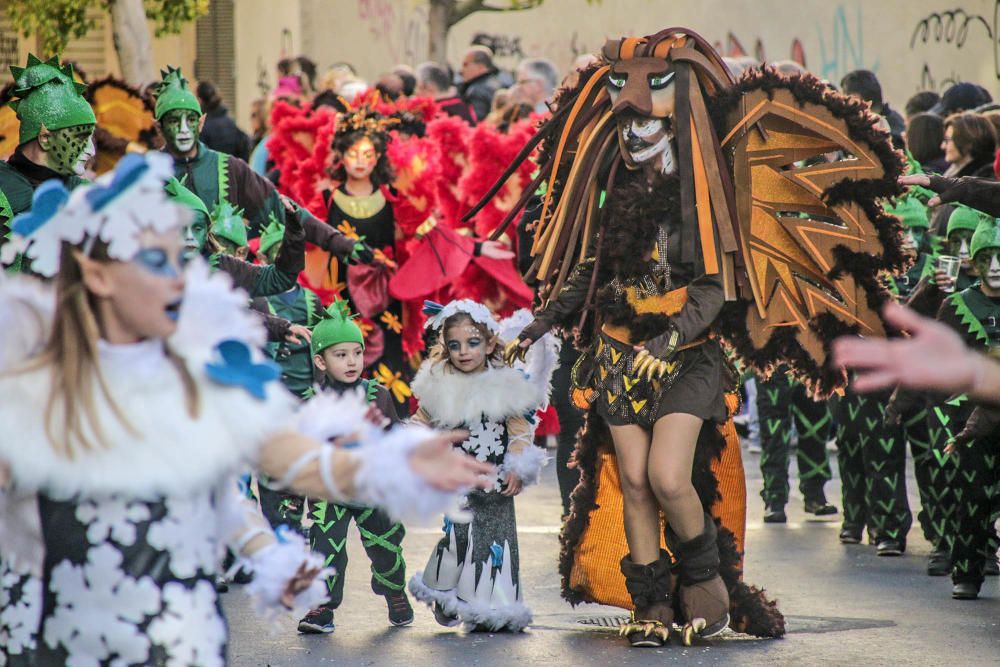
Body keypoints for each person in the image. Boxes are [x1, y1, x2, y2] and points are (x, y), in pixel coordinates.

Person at [488, 28, 903, 649]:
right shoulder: (615, 192)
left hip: (684, 359)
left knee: (668, 477)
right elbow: (590, 271)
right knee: (632, 480)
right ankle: (651, 604)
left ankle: (706, 587)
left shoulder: (707, 197)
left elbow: (715, 289)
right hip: (616, 358)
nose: (632, 133)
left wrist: (670, 338)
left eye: (645, 119)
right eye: (623, 126)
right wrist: (540, 323)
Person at [0, 152, 494, 666]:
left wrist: (382, 472)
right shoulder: (27, 385)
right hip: (63, 640)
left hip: (176, 637)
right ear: (98, 277)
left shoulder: (193, 371)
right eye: (157, 261)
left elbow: (262, 462)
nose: (179, 278)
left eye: (182, 260)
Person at [408, 300, 548, 632]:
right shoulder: (438, 381)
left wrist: (517, 465)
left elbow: (519, 430)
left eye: (472, 343)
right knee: (457, 538)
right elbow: (420, 421)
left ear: (488, 343)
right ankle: (445, 593)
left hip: (494, 482)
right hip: (456, 478)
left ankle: (490, 609)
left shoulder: (505, 383)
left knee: (493, 543)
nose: (463, 352)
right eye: (454, 345)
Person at [152, 66, 366, 265]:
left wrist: (338, 242)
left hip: (223, 289)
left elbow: (281, 209)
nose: (183, 129)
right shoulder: (145, 174)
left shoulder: (229, 168)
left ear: (201, 122)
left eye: (190, 119)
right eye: (173, 121)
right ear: (158, 126)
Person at [298, 300, 414, 633]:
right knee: (325, 548)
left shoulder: (376, 393)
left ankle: (393, 590)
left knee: (386, 548)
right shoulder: (310, 401)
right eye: (340, 354)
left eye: (356, 353)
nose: (352, 361)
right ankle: (322, 607)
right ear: (320, 360)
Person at [0, 55, 95, 266]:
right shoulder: (2, 189)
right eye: (82, 138)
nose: (92, 150)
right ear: (45, 137)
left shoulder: (86, 195)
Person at [755, 370, 836, 524]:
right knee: (774, 432)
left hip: (807, 359)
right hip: (772, 361)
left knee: (815, 426)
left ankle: (815, 495)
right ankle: (774, 499)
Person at [841, 69, 905, 147]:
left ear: (857, 99)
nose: (845, 105)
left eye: (847, 99)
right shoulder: (894, 121)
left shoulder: (888, 135)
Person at [196, 80, 252, 161]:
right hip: (231, 170)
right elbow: (245, 146)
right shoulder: (230, 122)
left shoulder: (203, 127)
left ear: (200, 100)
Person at [942, 112, 997, 179]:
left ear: (968, 143)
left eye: (947, 140)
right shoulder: (955, 171)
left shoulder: (986, 176)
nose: (943, 146)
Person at [459, 46, 505, 123]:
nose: (462, 70)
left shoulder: (476, 90)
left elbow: (475, 122)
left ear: (480, 67)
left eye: (465, 64)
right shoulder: (499, 82)